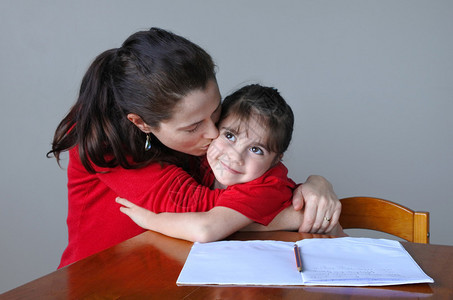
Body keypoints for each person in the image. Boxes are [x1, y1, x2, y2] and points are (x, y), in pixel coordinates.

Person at [47, 27, 341, 268]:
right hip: (99, 279)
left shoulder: (204, 141)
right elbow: (204, 209)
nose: (213, 133)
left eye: (215, 113)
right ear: (142, 123)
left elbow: (244, 187)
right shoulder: (101, 138)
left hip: (168, 272)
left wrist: (314, 184)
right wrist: (297, 216)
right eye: (193, 127)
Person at [117, 84, 343, 242]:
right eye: (230, 136)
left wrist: (150, 220)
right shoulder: (204, 162)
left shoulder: (268, 185)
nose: (235, 156)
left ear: (276, 160)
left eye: (256, 149)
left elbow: (205, 229)